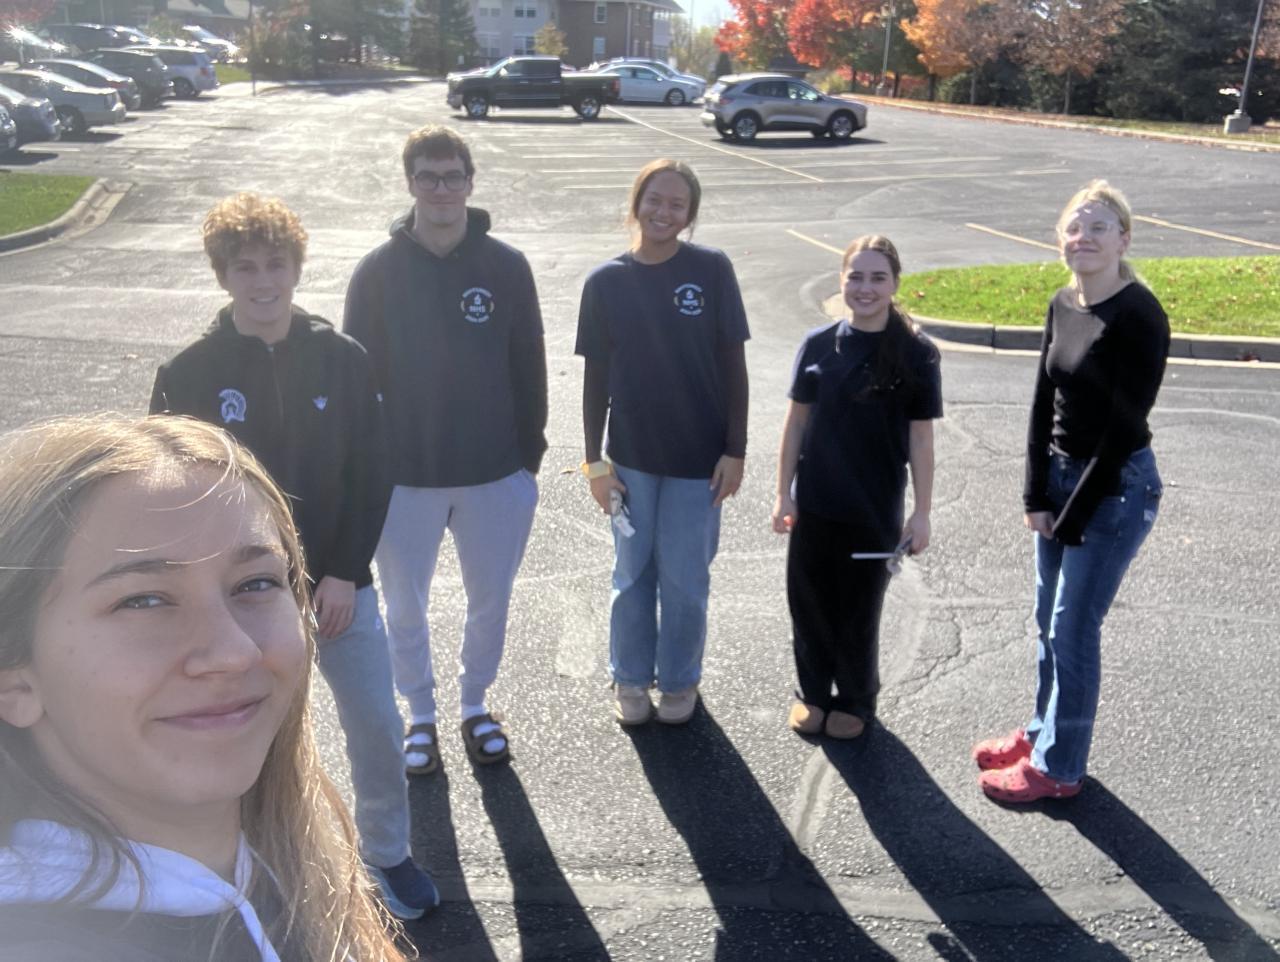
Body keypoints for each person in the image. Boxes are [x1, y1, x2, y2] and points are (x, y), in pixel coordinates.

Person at [0, 415, 407, 962]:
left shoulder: (285, 873)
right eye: (143, 600)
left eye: (256, 583)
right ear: (14, 680)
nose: (235, 652)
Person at [149, 192, 438, 920]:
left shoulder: (341, 359)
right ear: (223, 275)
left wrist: (343, 572)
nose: (263, 281)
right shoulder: (189, 372)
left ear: (297, 269)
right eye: (245, 267)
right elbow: (169, 491)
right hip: (237, 601)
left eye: (275, 264)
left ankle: (387, 854)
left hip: (339, 590)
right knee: (248, 737)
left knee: (377, 725)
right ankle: (253, 867)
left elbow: (372, 471)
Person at [343, 125, 547, 770]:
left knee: (491, 602)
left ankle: (475, 705)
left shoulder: (506, 266)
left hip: (494, 474)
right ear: (410, 183)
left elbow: (529, 367)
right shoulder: (377, 271)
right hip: (404, 478)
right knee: (405, 607)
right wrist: (368, 467)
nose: (440, 189)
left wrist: (527, 462)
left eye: (452, 176)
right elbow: (356, 380)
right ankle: (420, 716)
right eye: (427, 177)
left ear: (469, 182)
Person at [974, 180, 1169, 803]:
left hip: (1113, 488)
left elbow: (1123, 430)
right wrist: (1035, 493)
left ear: (1124, 240)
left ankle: (1059, 769)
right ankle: (1041, 733)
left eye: (1099, 227)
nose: (1084, 237)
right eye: (1075, 227)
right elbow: (1043, 400)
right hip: (1061, 481)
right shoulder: (1063, 302)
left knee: (1073, 627)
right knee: (1047, 621)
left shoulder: (1139, 315)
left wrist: (1075, 513)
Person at [576, 158, 750, 726]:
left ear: (690, 214)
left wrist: (736, 450)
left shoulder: (712, 270)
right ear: (636, 203)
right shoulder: (606, 282)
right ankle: (629, 677)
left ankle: (678, 680)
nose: (663, 212)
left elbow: (733, 367)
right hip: (631, 460)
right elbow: (595, 380)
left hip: (699, 463)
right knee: (632, 576)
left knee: (685, 580)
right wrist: (594, 463)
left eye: (677, 204)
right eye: (655, 199)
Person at [772, 235, 942, 740]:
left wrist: (921, 512)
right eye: (856, 276)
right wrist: (783, 492)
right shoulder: (818, 344)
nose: (865, 288)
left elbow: (921, 439)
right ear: (842, 280)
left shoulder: (916, 354)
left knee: (858, 613)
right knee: (808, 605)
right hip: (816, 504)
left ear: (895, 284)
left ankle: (855, 700)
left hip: (874, 510)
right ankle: (812, 695)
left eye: (878, 278)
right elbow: (795, 424)